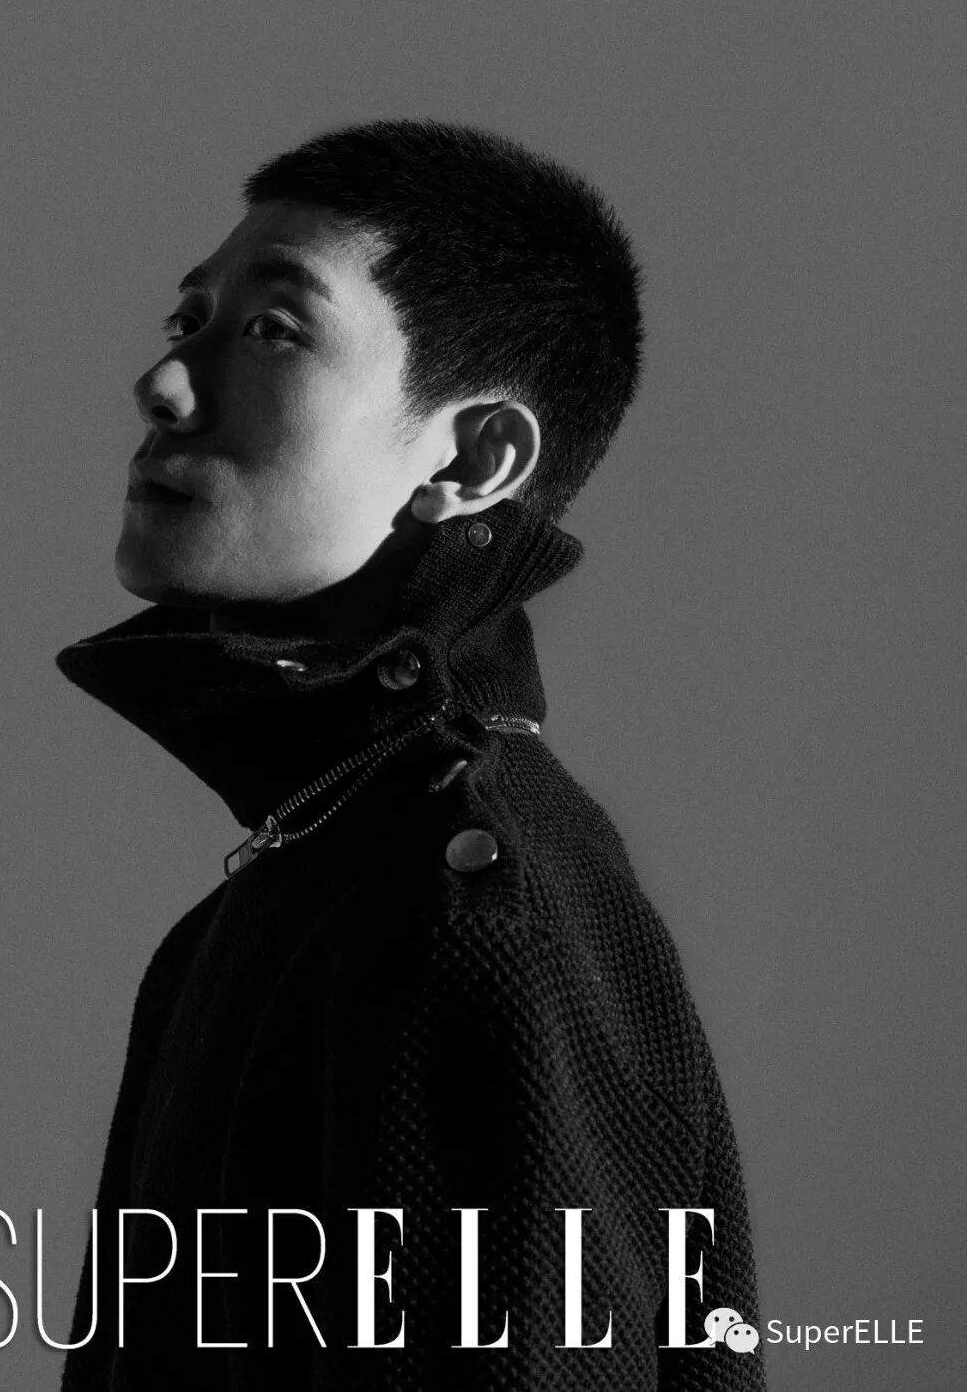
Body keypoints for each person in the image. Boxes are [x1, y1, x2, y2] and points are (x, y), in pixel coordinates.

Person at [56, 119, 764, 1388]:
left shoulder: (468, 902)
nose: (162, 384)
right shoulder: (293, 880)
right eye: (188, 321)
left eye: (272, 329)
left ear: (472, 458)